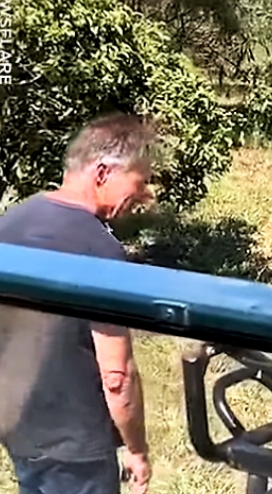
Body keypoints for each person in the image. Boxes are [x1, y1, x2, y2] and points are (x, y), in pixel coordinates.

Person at [0, 113, 156, 494]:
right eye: (138, 181)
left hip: (17, 425)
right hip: (75, 445)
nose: (141, 194)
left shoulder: (11, 221)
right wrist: (137, 450)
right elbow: (116, 377)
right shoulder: (99, 249)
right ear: (102, 173)